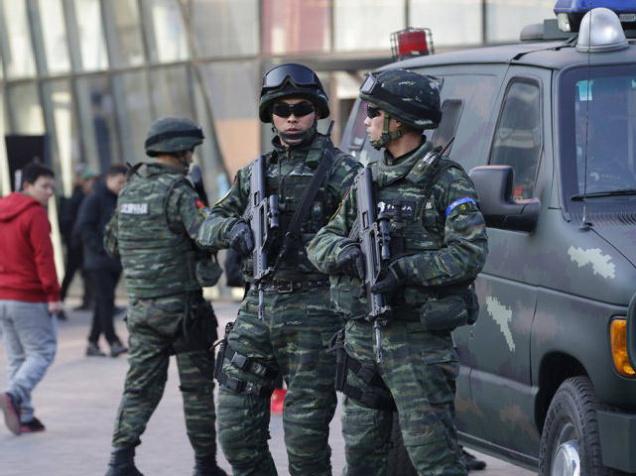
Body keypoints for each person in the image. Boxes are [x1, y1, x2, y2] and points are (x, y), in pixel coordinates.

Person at [307, 69, 489, 475]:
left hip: (417, 346)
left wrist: (404, 270)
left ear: (398, 120)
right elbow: (320, 244)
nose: (366, 121)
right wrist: (349, 253)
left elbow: (470, 253)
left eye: (373, 112)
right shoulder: (366, 182)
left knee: (435, 461)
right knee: (362, 461)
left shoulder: (445, 180)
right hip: (362, 343)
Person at [198, 63, 360, 476]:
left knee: (305, 444)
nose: (291, 117)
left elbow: (364, 237)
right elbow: (207, 224)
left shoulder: (343, 172)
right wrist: (235, 229)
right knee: (235, 432)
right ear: (270, 114)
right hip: (260, 306)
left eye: (301, 108)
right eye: (282, 108)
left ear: (317, 112)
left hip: (317, 313)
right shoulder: (254, 174)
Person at [103, 117, 226, 476]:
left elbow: (111, 244)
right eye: (189, 150)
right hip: (183, 311)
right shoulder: (179, 191)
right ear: (179, 150)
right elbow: (207, 236)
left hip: (142, 309)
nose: (191, 157)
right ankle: (205, 466)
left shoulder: (129, 189)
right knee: (197, 391)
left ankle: (120, 462)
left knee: (139, 387)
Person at [0, 162, 62, 435]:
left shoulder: (2, 209)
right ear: (26, 186)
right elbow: (44, 257)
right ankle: (14, 395)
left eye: (52, 187)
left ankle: (24, 416)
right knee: (42, 352)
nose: (49, 192)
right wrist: (53, 295)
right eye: (44, 186)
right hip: (29, 294)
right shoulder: (34, 213)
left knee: (17, 357)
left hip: (3, 295)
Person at [76, 164, 128, 358]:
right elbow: (84, 227)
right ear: (109, 178)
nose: (122, 186)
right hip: (97, 261)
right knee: (106, 301)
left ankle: (92, 342)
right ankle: (112, 340)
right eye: (119, 182)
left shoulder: (120, 199)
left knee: (102, 302)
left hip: (114, 260)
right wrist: (100, 248)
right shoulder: (95, 198)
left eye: (125, 183)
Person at [59, 165, 97, 313]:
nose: (92, 183)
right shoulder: (76, 198)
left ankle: (88, 301)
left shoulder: (88, 197)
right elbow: (70, 222)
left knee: (87, 273)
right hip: (75, 244)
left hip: (82, 243)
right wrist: (73, 239)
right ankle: (59, 301)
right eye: (89, 180)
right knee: (71, 273)